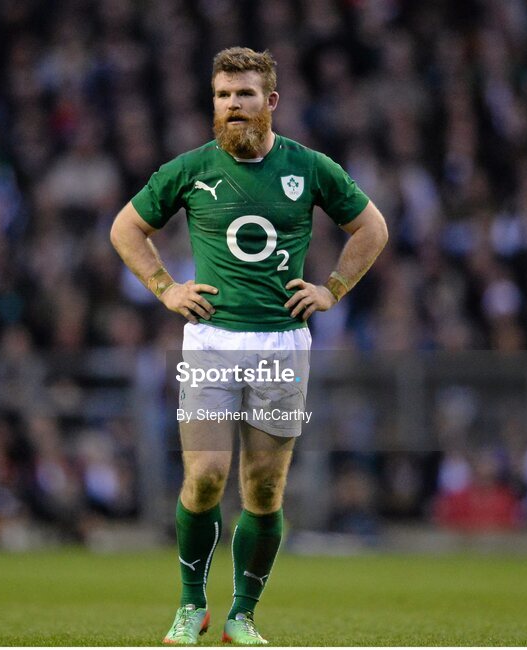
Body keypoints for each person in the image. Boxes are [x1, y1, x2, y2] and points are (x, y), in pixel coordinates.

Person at [111, 47, 388, 645]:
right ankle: (191, 606)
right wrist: (164, 287)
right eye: (222, 96)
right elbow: (125, 228)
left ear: (271, 102)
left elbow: (372, 228)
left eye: (244, 95)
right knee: (206, 476)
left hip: (282, 343)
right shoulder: (190, 168)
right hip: (210, 340)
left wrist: (333, 288)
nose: (232, 106)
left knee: (263, 488)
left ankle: (243, 614)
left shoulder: (309, 167)